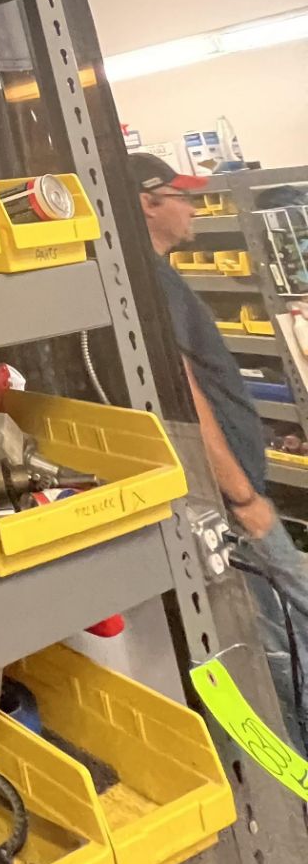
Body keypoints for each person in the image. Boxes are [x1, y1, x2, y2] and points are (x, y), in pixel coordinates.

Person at [130, 151, 308, 752]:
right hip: (233, 502)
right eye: (180, 195)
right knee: (284, 637)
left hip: (235, 493)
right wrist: (241, 494)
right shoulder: (151, 283)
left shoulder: (162, 277)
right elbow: (183, 392)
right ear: (148, 204)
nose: (193, 205)